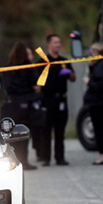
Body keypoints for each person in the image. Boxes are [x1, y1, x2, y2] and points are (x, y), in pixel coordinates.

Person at [38, 34, 76, 166]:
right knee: (46, 130)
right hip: (47, 99)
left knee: (60, 131)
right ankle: (46, 158)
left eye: (59, 42)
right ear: (49, 44)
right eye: (55, 42)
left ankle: (60, 158)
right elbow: (37, 82)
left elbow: (73, 78)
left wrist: (68, 73)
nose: (58, 45)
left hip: (61, 100)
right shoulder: (42, 62)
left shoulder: (64, 62)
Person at [3, 41, 41, 170]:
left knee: (13, 135)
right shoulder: (28, 67)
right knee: (24, 133)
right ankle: (24, 160)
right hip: (26, 104)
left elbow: (7, 86)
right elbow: (36, 83)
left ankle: (15, 161)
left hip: (12, 104)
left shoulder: (9, 67)